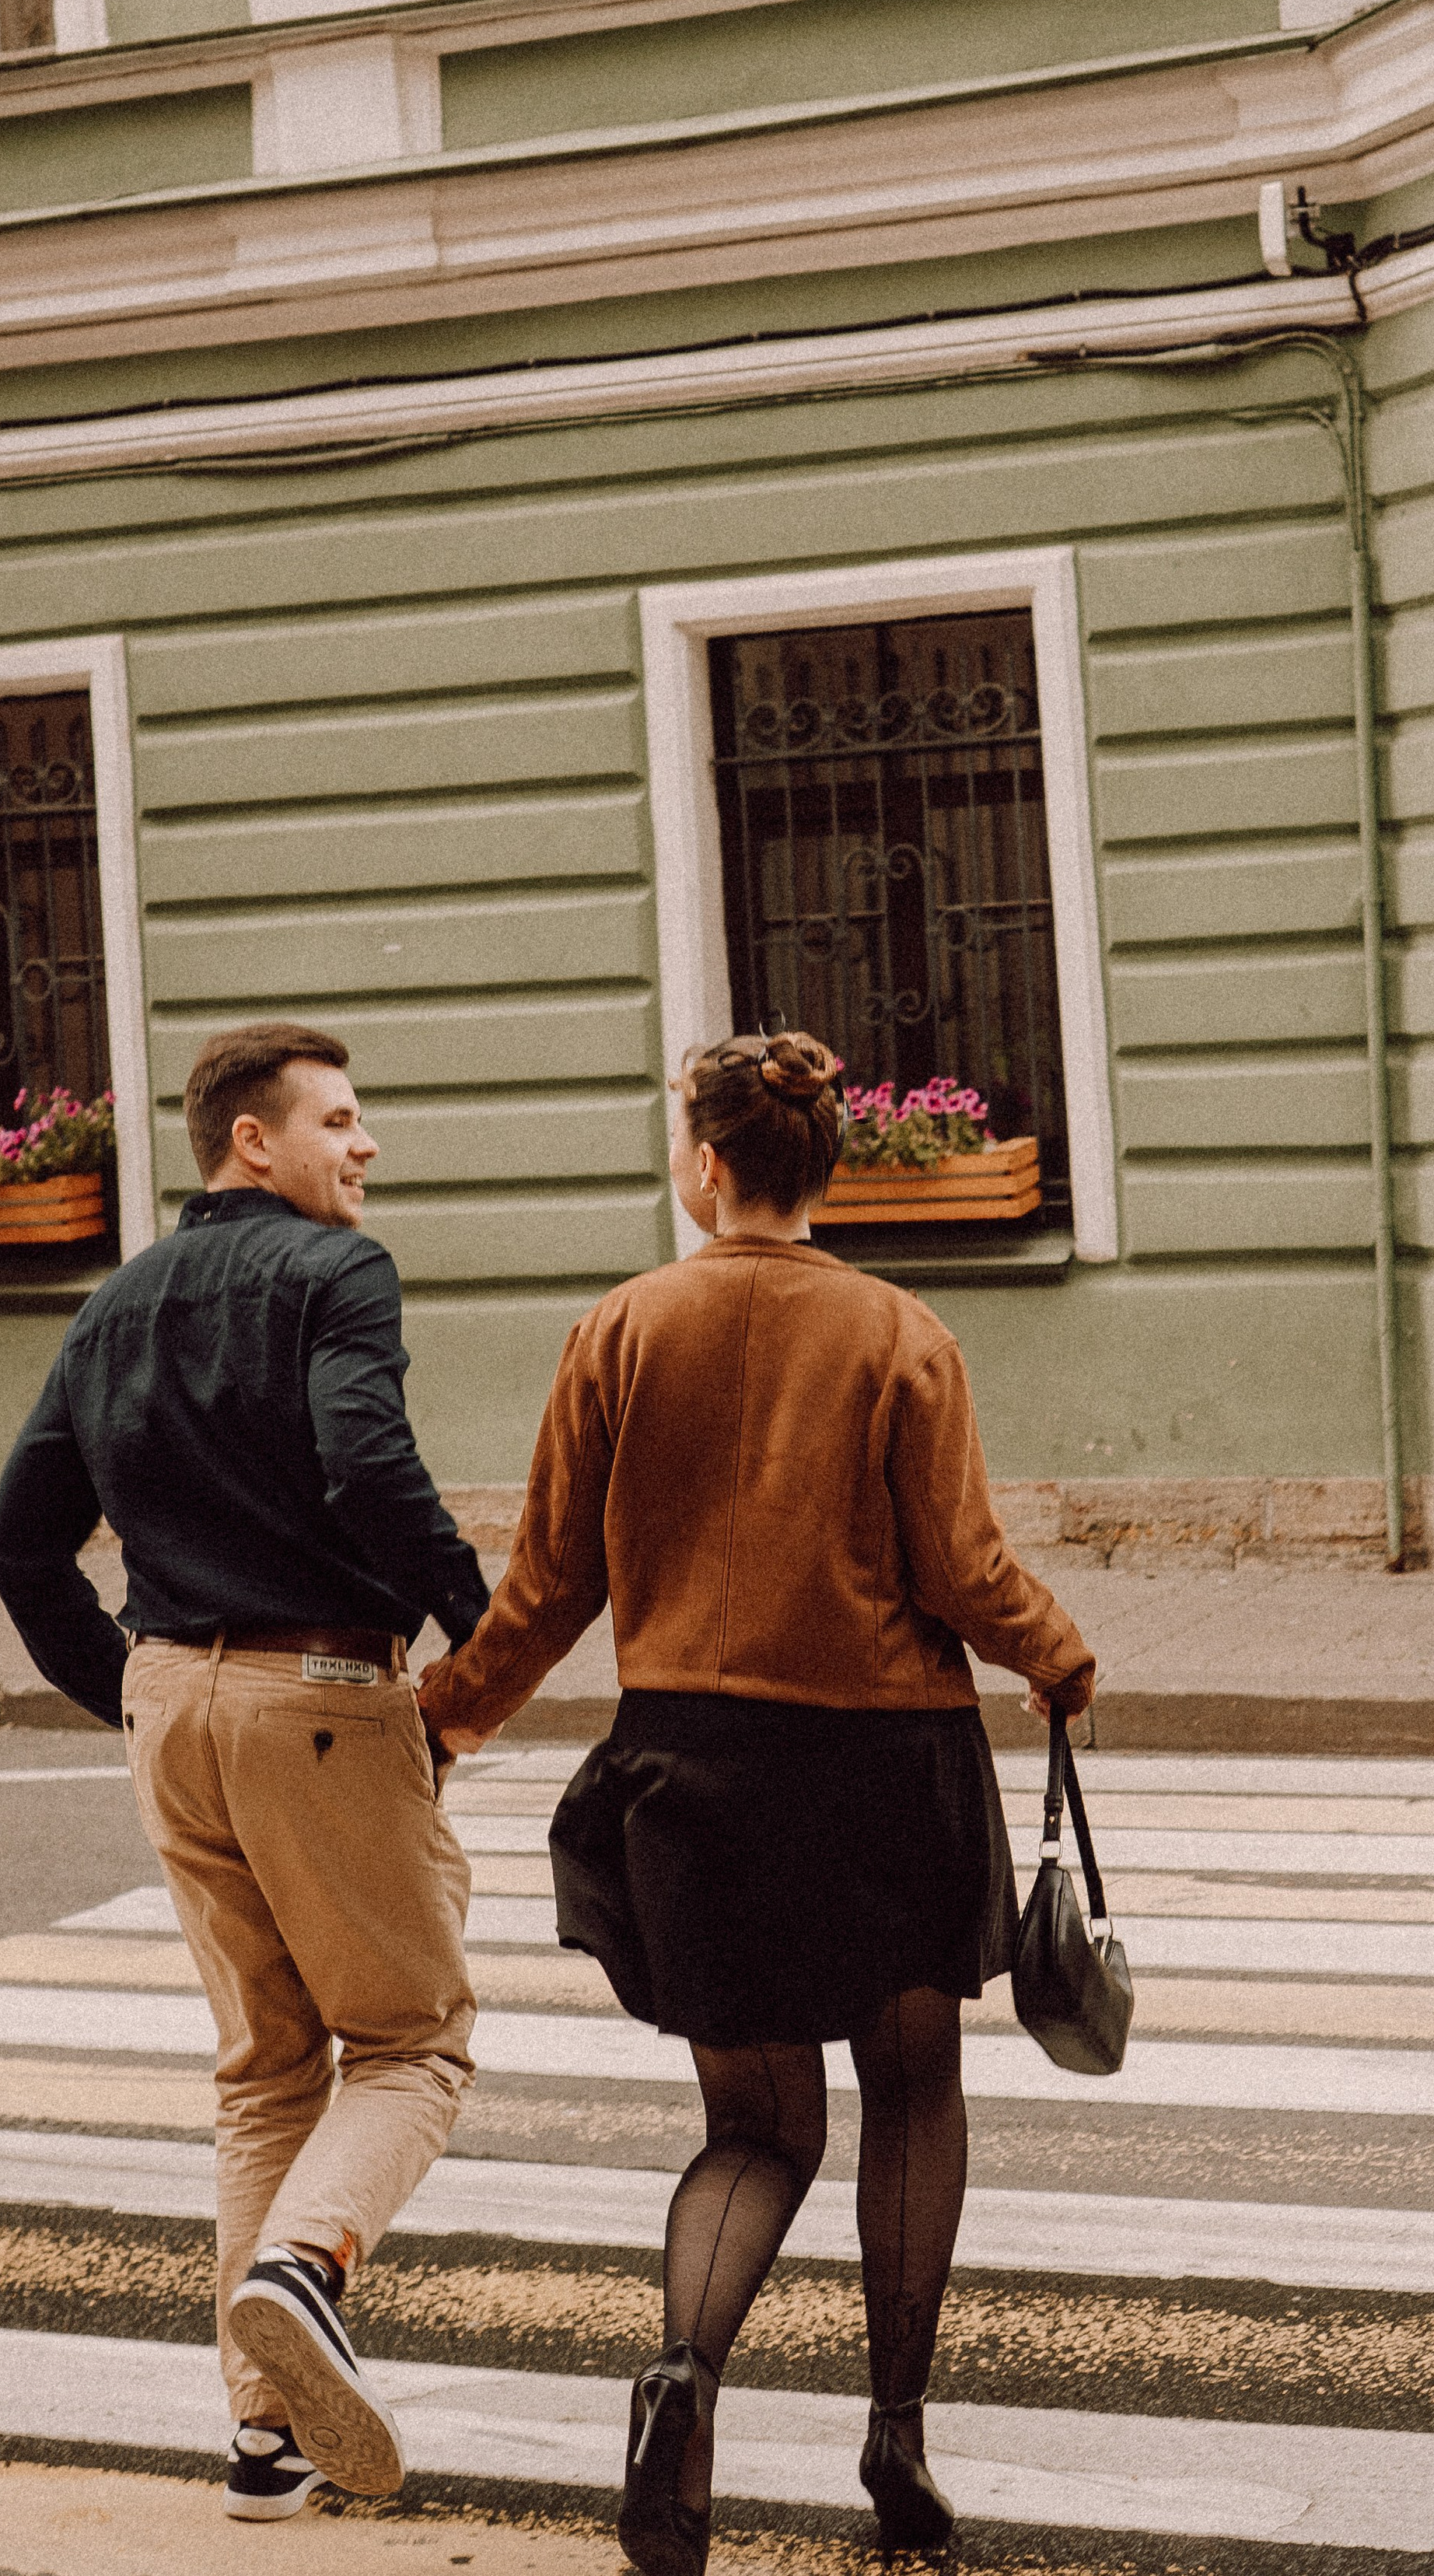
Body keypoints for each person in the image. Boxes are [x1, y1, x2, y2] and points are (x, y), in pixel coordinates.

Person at [418, 1031, 1096, 2576]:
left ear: (707, 1164)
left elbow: (549, 1582)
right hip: (883, 1765)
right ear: (820, 1168)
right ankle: (895, 2440)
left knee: (757, 2126)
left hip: (695, 1770)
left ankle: (682, 2379)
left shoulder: (618, 1329)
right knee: (911, 2096)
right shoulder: (900, 1333)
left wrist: (446, 1716)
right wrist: (1057, 1658)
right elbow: (961, 1569)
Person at [0, 1021, 488, 2525]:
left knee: (266, 2067)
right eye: (339, 1120)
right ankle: (305, 2266)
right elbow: (367, 1463)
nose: (366, 1145)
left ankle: (264, 2444)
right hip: (320, 1691)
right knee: (411, 2044)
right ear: (251, 1142)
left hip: (170, 1705)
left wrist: (134, 1695)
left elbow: (19, 1543)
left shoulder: (115, 1301)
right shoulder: (339, 1273)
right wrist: (485, 1629)